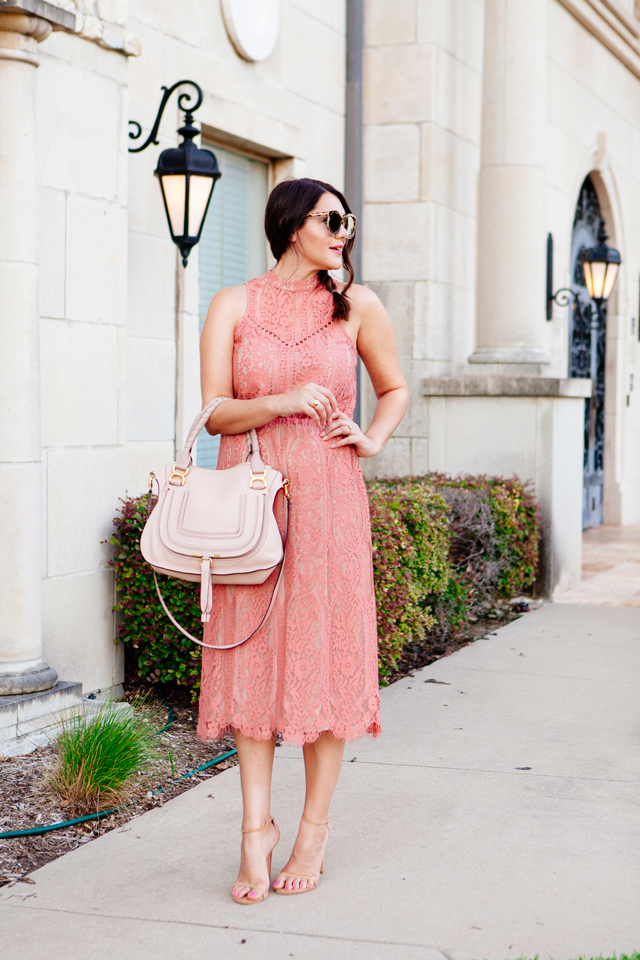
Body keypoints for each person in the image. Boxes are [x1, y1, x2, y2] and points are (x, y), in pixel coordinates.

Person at [197, 177, 408, 903]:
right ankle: (255, 834)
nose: (344, 231)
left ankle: (313, 829)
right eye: (332, 219)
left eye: (348, 221)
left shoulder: (356, 307)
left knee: (325, 656)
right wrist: (282, 402)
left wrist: (372, 437)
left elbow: (396, 388)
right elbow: (215, 414)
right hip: (252, 508)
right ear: (293, 225)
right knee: (252, 656)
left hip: (330, 502)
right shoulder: (233, 305)